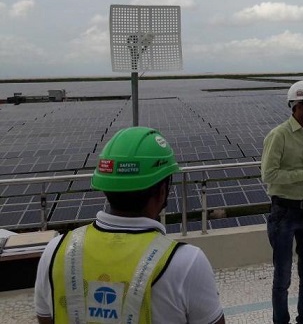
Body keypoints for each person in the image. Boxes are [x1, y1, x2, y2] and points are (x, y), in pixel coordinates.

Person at [34, 126, 225, 324]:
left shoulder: (56, 251)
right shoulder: (187, 263)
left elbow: (46, 317)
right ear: (162, 191)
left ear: (105, 185)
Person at [261, 80, 303, 324]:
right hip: (284, 213)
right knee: (283, 277)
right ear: (298, 105)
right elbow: (268, 175)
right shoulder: (278, 136)